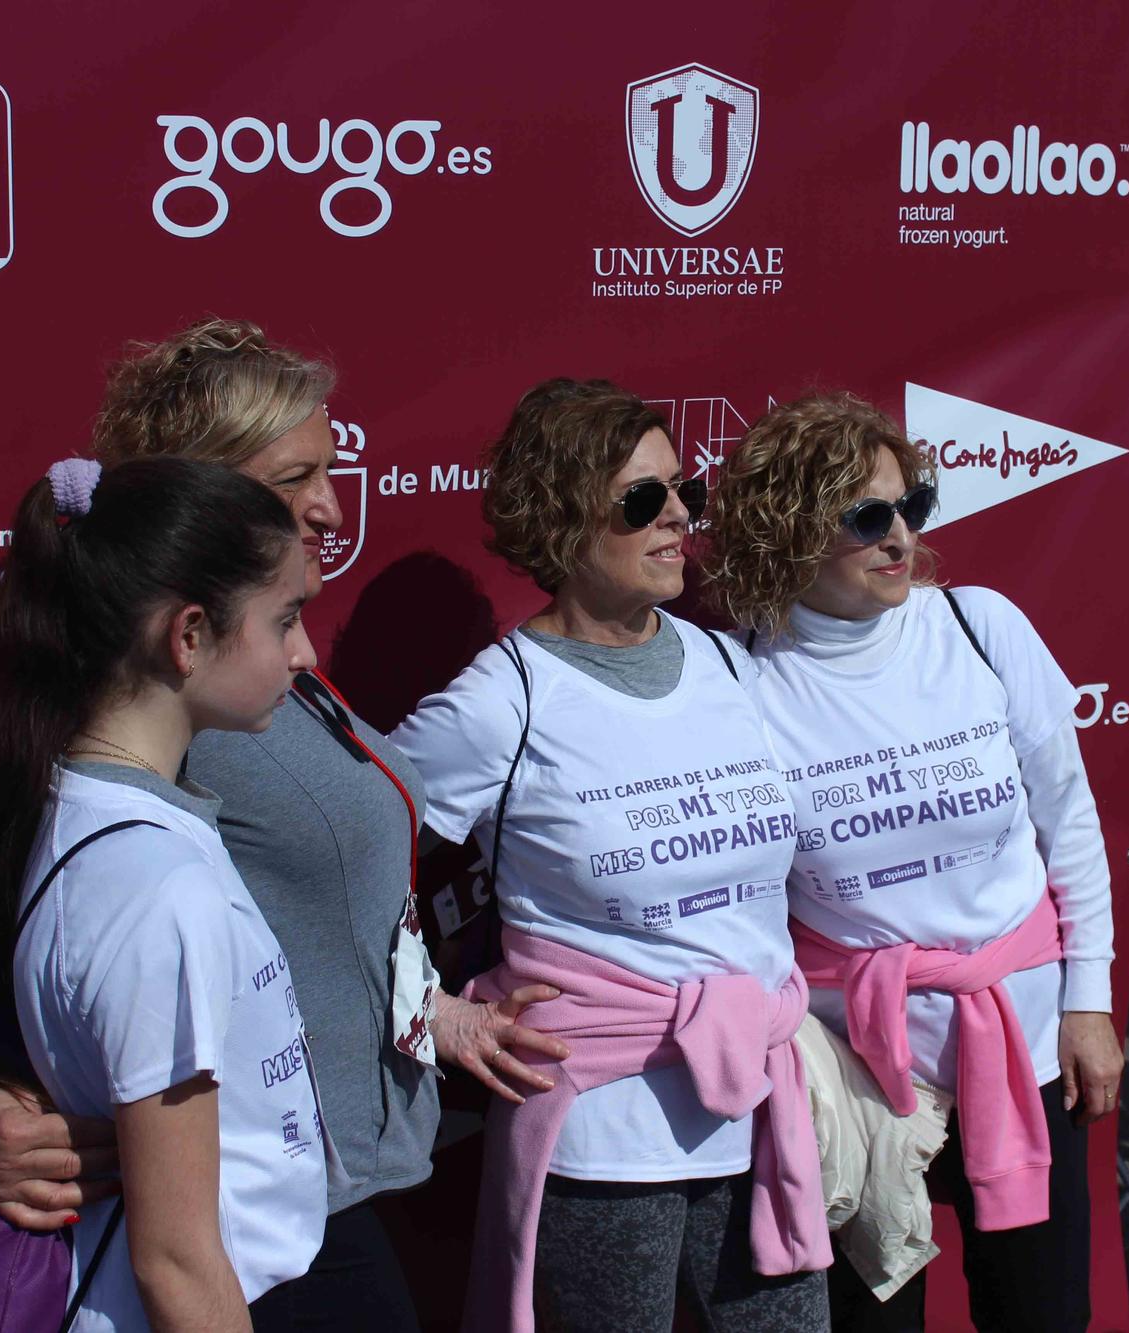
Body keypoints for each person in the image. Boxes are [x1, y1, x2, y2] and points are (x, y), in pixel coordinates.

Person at [0, 320, 567, 1330]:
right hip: (244, 1232)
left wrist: (431, 1012)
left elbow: (307, 905)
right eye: (293, 474)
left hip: (343, 1178)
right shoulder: (154, 717)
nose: (330, 505)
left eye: (331, 468)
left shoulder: (261, 675)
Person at [391, 378, 831, 1332]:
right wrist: (430, 1012)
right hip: (602, 1139)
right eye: (643, 500)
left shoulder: (726, 664)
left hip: (762, 1122)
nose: (678, 516)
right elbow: (341, 861)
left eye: (683, 491)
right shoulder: (500, 700)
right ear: (558, 521)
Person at [702, 393, 1120, 1333]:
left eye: (911, 506)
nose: (900, 538)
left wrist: (1088, 999)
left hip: (1026, 1041)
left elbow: (1072, 824)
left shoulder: (979, 626)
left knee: (1043, 1312)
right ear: (790, 528)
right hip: (856, 1070)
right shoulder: (740, 679)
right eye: (866, 517)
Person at [0, 455, 330, 1328]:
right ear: (187, 636)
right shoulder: (158, 888)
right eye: (286, 618)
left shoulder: (73, 809)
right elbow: (179, 1263)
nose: (305, 652)